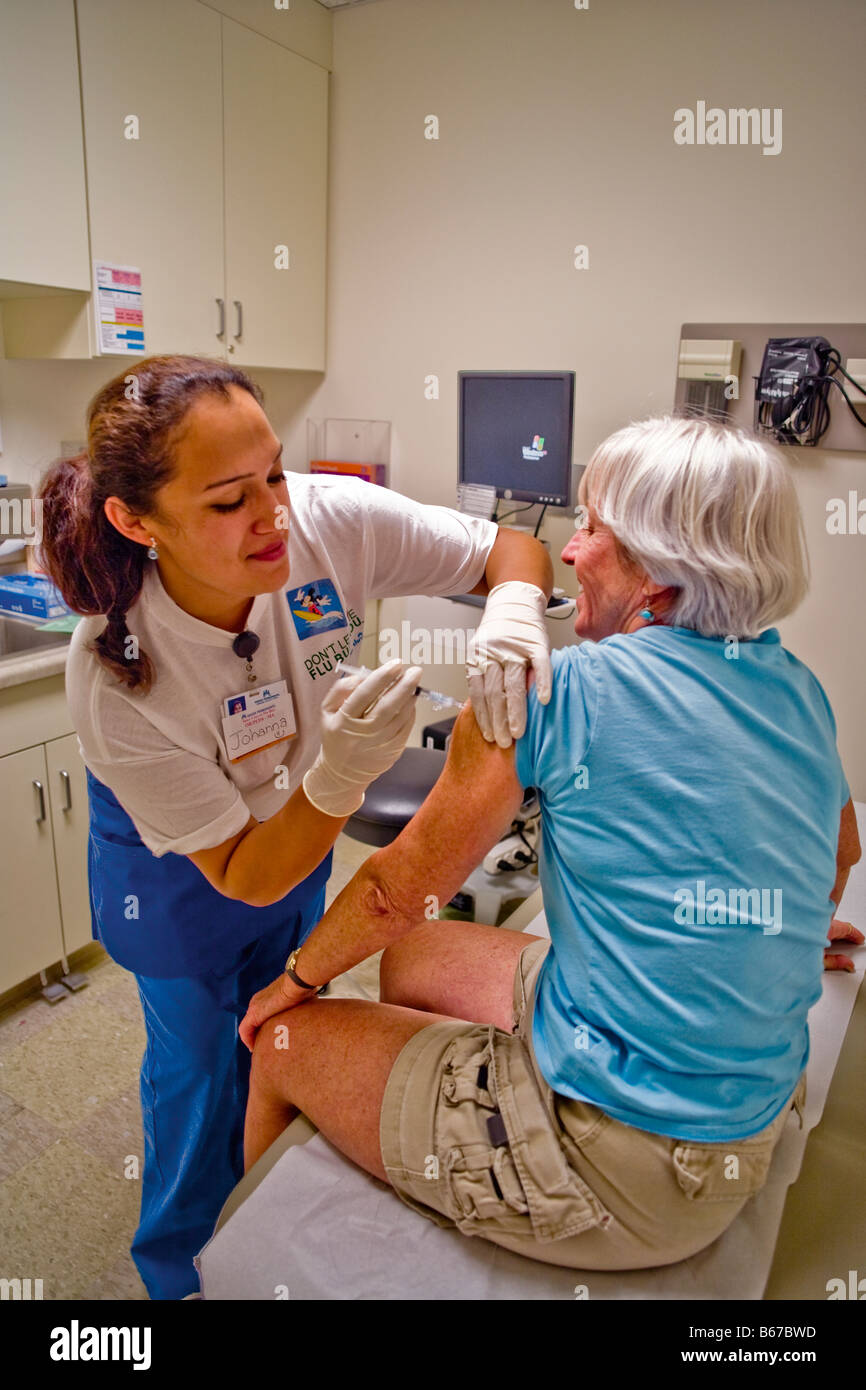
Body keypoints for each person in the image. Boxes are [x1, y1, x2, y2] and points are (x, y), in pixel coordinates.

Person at [240, 413, 862, 1272]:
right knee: (414, 959)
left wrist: (295, 980)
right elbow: (839, 853)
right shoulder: (798, 689)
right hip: (748, 1105)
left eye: (597, 527)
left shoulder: (554, 692)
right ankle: (421, 1092)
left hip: (628, 1166)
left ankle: (248, 1267)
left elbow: (401, 886)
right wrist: (780, 933)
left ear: (660, 572)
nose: (571, 551)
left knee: (280, 1045)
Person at [36, 353, 554, 1299]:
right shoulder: (117, 674)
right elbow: (242, 873)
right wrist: (344, 773)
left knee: (279, 1019)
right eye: (228, 501)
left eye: (272, 472)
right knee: (197, 1075)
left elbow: (508, 551)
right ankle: (179, 1274)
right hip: (182, 871)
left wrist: (514, 612)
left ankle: (263, 1228)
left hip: (295, 822)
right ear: (135, 519)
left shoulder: (328, 518)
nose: (275, 513)